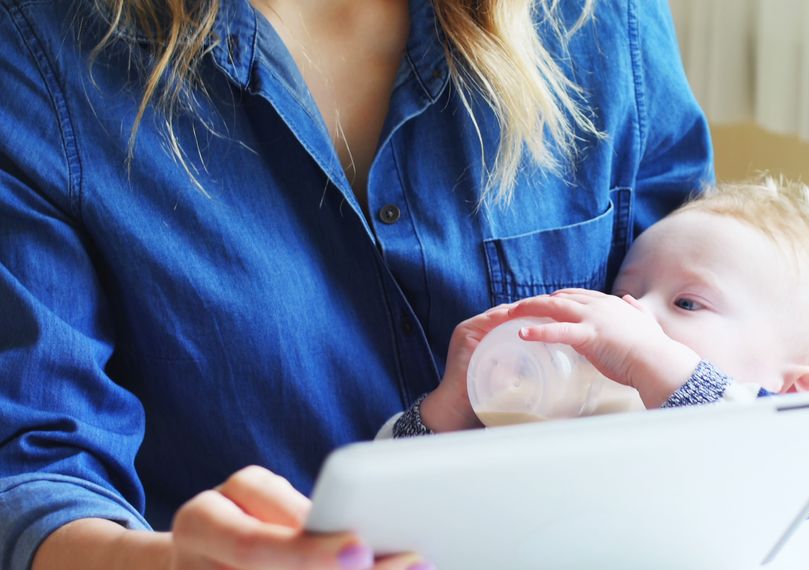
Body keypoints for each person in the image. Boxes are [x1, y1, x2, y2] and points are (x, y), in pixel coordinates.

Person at [0, 0, 713, 568]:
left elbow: (741, 336)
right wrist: (156, 564)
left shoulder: (596, 21)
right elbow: (36, 472)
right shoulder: (37, 52)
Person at [393, 177, 809, 514]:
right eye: (623, 292)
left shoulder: (785, 477)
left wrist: (660, 366)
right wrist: (446, 413)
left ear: (797, 398)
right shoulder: (564, 428)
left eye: (688, 303)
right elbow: (395, 511)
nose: (632, 312)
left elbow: (802, 475)